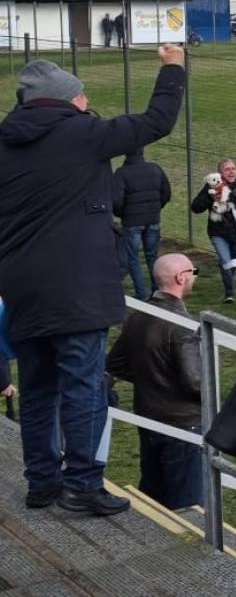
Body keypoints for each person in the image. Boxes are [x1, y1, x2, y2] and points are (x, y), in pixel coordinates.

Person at [0, 46, 186, 516]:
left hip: (22, 284)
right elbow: (157, 121)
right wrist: (172, 67)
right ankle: (82, 483)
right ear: (69, 101)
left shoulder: (5, 142)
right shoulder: (84, 135)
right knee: (82, 383)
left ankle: (42, 482)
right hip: (77, 285)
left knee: (38, 385)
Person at [106, 253, 203, 510]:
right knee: (188, 506)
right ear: (181, 277)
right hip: (183, 425)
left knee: (153, 496)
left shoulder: (138, 317)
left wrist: (149, 378)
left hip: (149, 417)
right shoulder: (182, 325)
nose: (194, 277)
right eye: (193, 272)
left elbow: (114, 363)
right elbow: (195, 382)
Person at [190, 159, 236, 303]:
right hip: (217, 232)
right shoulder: (210, 186)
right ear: (219, 173)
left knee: (234, 263)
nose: (231, 171)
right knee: (226, 261)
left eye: (233, 168)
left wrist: (233, 196)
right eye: (227, 169)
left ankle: (229, 281)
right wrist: (210, 197)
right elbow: (195, 207)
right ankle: (230, 293)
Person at [112, 149, 171, 301]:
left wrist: (122, 214)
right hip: (153, 218)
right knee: (152, 256)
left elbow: (116, 201)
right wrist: (156, 208)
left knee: (133, 258)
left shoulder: (121, 173)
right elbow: (166, 193)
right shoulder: (155, 169)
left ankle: (141, 293)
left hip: (131, 221)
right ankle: (157, 289)